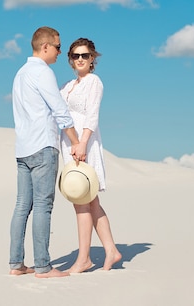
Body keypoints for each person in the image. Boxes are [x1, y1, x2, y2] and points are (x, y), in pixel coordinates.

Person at [9, 26, 83, 278]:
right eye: (58, 47)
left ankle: (16, 264)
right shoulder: (43, 73)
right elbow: (60, 110)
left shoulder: (20, 74)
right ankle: (43, 266)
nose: (61, 52)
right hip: (42, 146)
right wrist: (75, 141)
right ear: (45, 47)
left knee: (22, 206)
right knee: (43, 206)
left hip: (23, 148)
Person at [59, 38, 122, 273]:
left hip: (84, 143)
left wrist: (82, 143)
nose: (80, 60)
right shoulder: (68, 85)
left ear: (93, 58)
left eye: (85, 55)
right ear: (70, 59)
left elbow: (92, 116)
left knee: (82, 198)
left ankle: (83, 259)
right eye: (76, 56)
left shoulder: (93, 82)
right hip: (69, 144)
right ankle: (112, 250)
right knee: (90, 200)